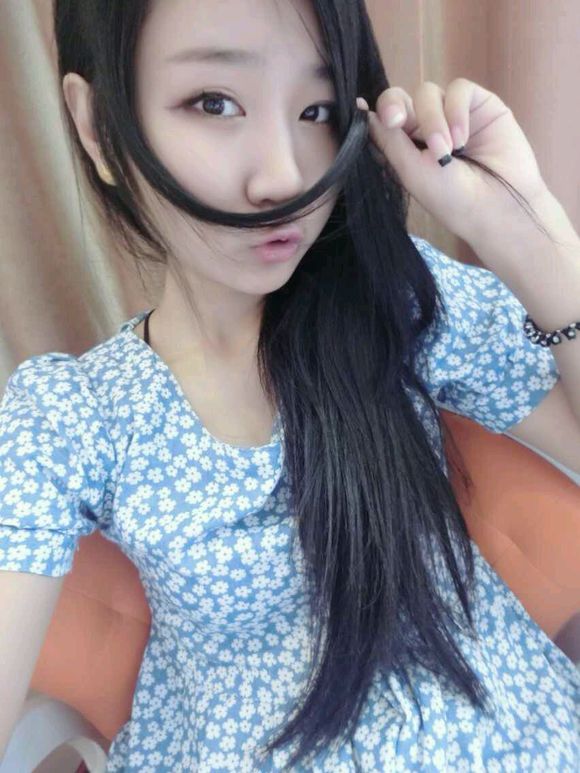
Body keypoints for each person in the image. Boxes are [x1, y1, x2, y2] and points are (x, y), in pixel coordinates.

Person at [0, 0, 579, 770]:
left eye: (318, 110)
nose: (286, 176)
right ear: (100, 124)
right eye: (214, 102)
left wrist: (528, 234)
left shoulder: (395, 300)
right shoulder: (72, 415)